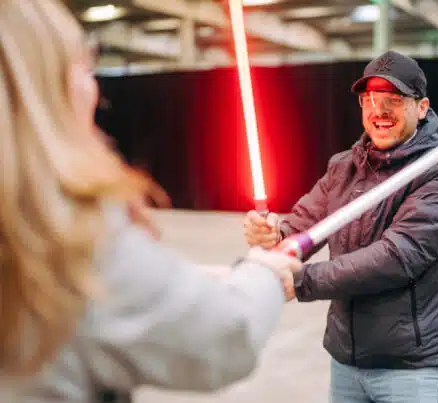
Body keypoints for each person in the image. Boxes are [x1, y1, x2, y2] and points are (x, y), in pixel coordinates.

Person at [0, 0, 302, 401]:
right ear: (44, 87)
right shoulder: (67, 234)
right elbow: (225, 337)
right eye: (84, 67)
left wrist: (226, 275)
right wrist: (263, 274)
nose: (94, 89)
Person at [244, 50, 438, 403]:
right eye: (369, 99)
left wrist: (302, 280)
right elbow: (304, 223)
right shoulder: (344, 167)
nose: (378, 110)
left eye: (393, 100)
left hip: (410, 369)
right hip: (346, 361)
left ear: (421, 107)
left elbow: (396, 258)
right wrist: (275, 236)